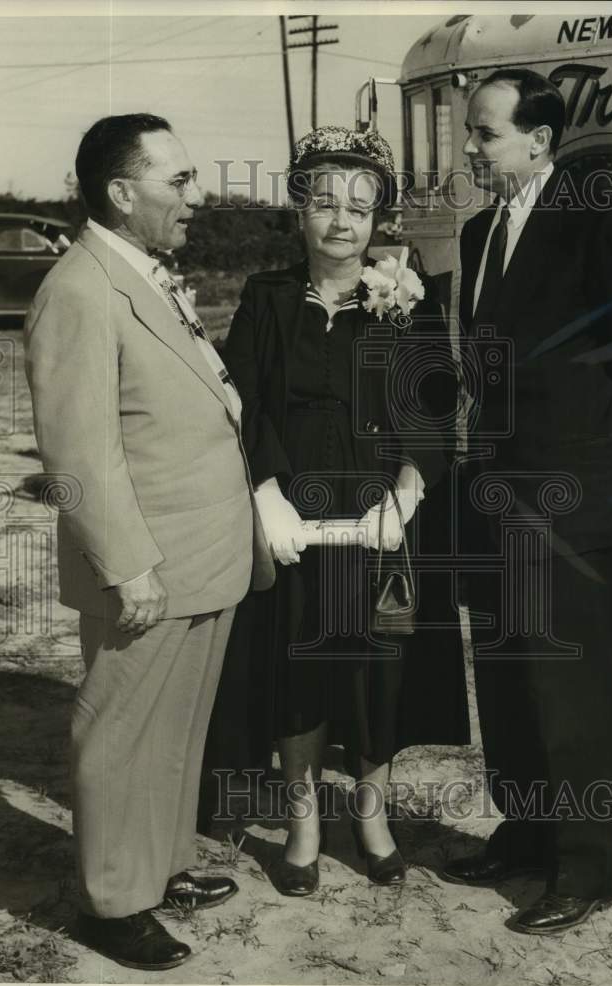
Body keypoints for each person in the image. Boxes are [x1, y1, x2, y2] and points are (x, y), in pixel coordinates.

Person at [24, 113, 274, 970]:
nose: (193, 197)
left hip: (202, 554)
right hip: (147, 565)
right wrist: (125, 566)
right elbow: (76, 452)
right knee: (121, 729)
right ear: (122, 192)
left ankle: (163, 865)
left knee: (178, 728)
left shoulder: (143, 272)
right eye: (178, 182)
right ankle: (110, 899)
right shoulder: (81, 288)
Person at [442, 70, 612, 934]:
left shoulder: (600, 227)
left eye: (484, 133)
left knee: (569, 685)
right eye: (471, 132)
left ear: (539, 140)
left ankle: (584, 867)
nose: (470, 148)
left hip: (575, 500)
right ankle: (527, 829)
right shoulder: (476, 234)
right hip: (495, 494)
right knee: (506, 674)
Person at [221, 126, 470, 896]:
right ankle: (301, 824)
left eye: (359, 209)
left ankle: (371, 818)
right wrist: (265, 492)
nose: (341, 222)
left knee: (379, 671)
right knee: (298, 670)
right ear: (299, 211)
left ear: (378, 219)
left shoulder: (405, 296)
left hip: (381, 521)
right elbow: (242, 403)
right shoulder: (266, 300)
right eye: (324, 203)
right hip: (296, 521)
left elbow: (434, 404)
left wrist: (408, 485)